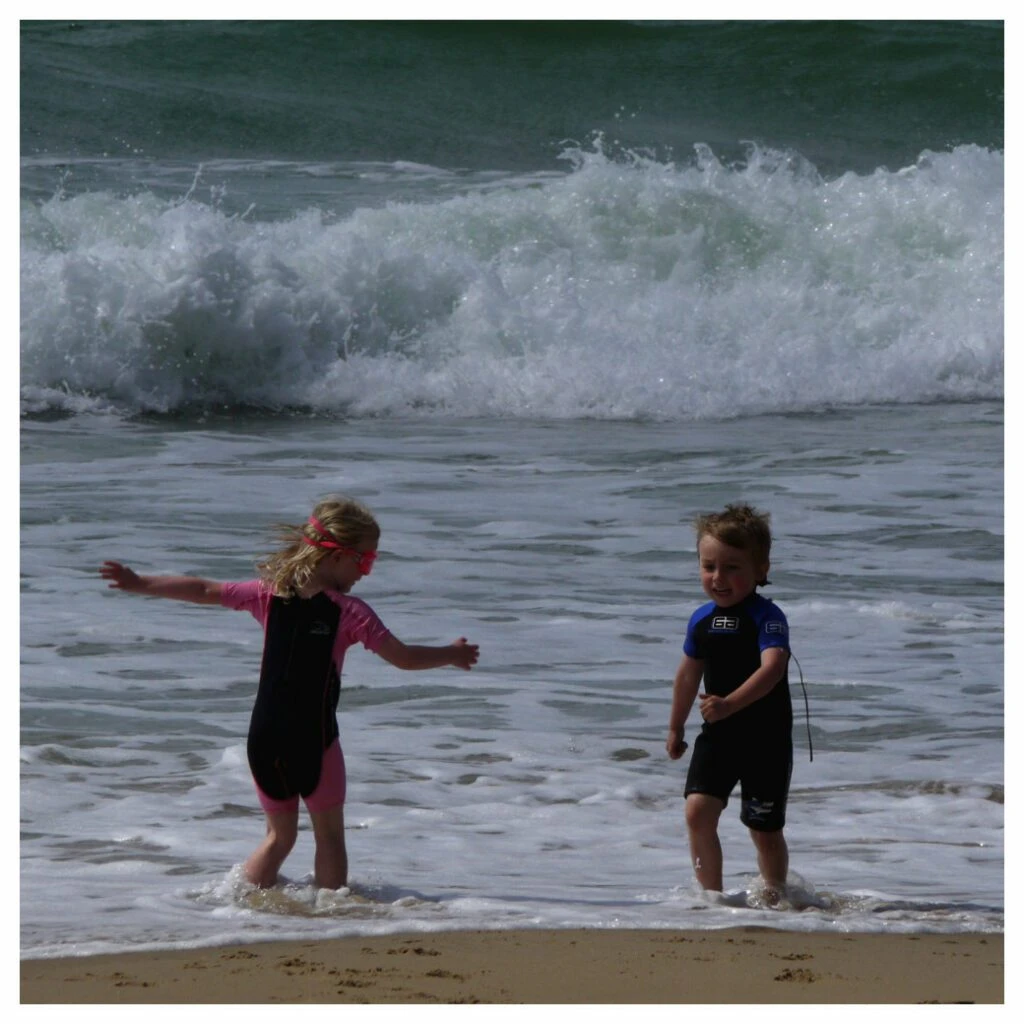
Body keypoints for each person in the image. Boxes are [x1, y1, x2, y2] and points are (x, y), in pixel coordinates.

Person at [100, 495, 479, 892]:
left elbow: (203, 589)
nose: (366, 572)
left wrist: (139, 583)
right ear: (335, 556)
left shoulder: (267, 595)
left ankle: (238, 905)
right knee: (329, 836)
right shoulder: (350, 612)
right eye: (365, 561)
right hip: (313, 740)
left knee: (279, 838)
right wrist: (451, 655)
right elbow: (403, 658)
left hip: (263, 739)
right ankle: (332, 914)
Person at [665, 502, 792, 897]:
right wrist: (675, 726)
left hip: (765, 741)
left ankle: (776, 893)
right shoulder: (701, 620)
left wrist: (729, 705)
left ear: (761, 569)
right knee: (698, 813)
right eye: (709, 566)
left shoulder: (767, 617)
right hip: (718, 737)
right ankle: (712, 899)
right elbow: (687, 675)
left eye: (732, 567)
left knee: (763, 830)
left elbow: (772, 669)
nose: (718, 578)